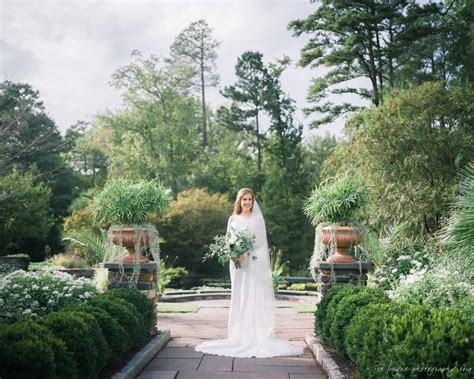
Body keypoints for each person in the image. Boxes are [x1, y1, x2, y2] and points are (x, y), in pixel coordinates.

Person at [195, 188, 304, 358]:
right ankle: (238, 333)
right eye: (244, 199)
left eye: (250, 199)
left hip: (251, 264)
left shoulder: (258, 219)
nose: (247, 202)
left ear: (253, 202)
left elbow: (260, 242)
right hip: (237, 265)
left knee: (251, 295)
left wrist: (245, 252)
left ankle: (254, 334)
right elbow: (228, 240)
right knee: (239, 296)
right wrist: (233, 254)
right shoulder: (233, 219)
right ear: (239, 201)